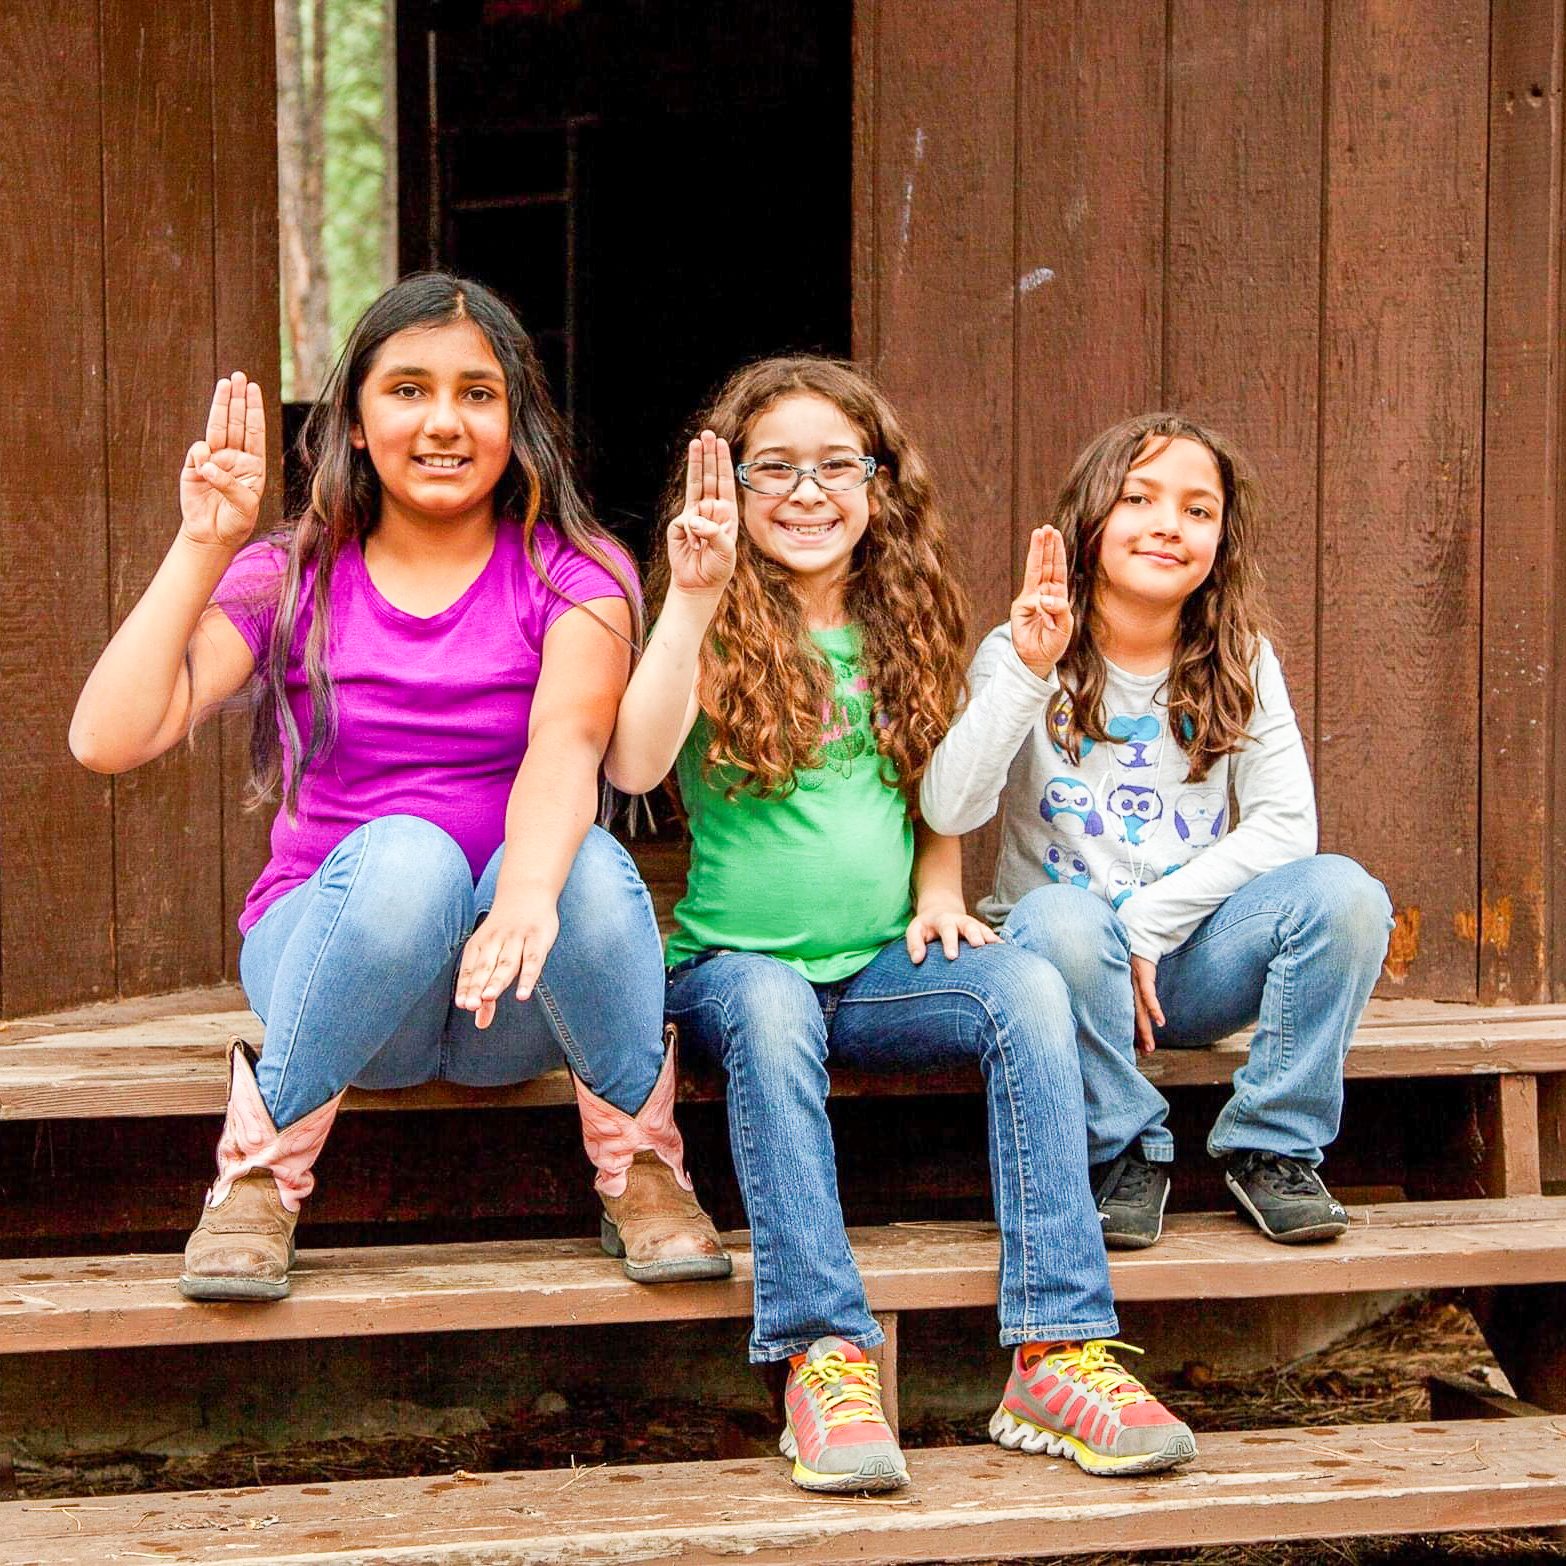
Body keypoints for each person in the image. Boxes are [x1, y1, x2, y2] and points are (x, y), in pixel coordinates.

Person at [69, 272, 729, 1302]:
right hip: (340, 979)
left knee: (590, 867)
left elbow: (569, 742)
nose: (443, 421)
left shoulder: (576, 574)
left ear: (519, 423)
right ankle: (259, 1177)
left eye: (478, 393)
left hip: (510, 991)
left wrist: (521, 898)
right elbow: (106, 737)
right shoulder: (290, 572)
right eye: (408, 389)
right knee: (410, 856)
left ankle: (643, 1166)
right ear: (357, 420)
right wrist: (204, 543)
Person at [606, 358, 1196, 1492]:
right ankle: (826, 1357)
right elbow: (632, 764)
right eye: (773, 466)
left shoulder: (906, 621)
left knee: (1023, 984)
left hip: (880, 968)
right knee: (774, 1006)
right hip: (734, 973)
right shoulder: (711, 619)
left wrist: (940, 888)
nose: (808, 490)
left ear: (881, 486)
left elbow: (938, 785)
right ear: (728, 483)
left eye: (839, 465)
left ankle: (1056, 1349)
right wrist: (689, 594)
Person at [921, 413, 1393, 1251]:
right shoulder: (1019, 651)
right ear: (1091, 521)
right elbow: (952, 809)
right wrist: (1030, 673)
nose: (1168, 523)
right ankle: (1123, 1147)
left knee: (1347, 896)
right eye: (1139, 497)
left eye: (1198, 509)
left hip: (1188, 969)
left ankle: (1271, 1145)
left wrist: (1146, 925)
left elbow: (1288, 827)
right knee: (1062, 919)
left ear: (1222, 541)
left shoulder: (1239, 657)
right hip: (1064, 970)